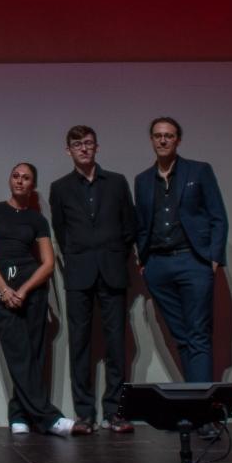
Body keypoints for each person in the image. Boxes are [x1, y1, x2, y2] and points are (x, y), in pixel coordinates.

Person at [49, 126, 136, 435]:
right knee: (80, 345)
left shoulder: (116, 182)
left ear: (97, 147)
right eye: (77, 144)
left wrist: (112, 254)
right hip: (79, 273)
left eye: (88, 143)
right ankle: (85, 414)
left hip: (112, 270)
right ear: (68, 151)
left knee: (116, 345)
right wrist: (77, 257)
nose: (83, 149)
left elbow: (129, 227)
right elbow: (61, 230)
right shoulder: (59, 188)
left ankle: (115, 413)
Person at [134, 116, 228, 392]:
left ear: (178, 140)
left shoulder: (199, 171)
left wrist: (212, 259)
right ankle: (197, 403)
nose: (163, 140)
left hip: (193, 261)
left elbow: (218, 217)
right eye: (158, 135)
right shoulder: (142, 180)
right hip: (158, 265)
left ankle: (203, 412)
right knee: (181, 337)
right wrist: (144, 261)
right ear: (151, 140)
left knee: (198, 335)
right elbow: (141, 223)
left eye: (169, 135)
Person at [0, 163, 75, 436]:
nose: (20, 181)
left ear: (32, 185)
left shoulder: (37, 219)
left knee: (33, 354)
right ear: (10, 179)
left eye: (26, 178)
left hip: (32, 289)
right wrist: (3, 289)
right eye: (16, 176)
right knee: (18, 353)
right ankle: (49, 418)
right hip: (2, 286)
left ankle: (18, 414)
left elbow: (47, 264)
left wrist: (23, 290)